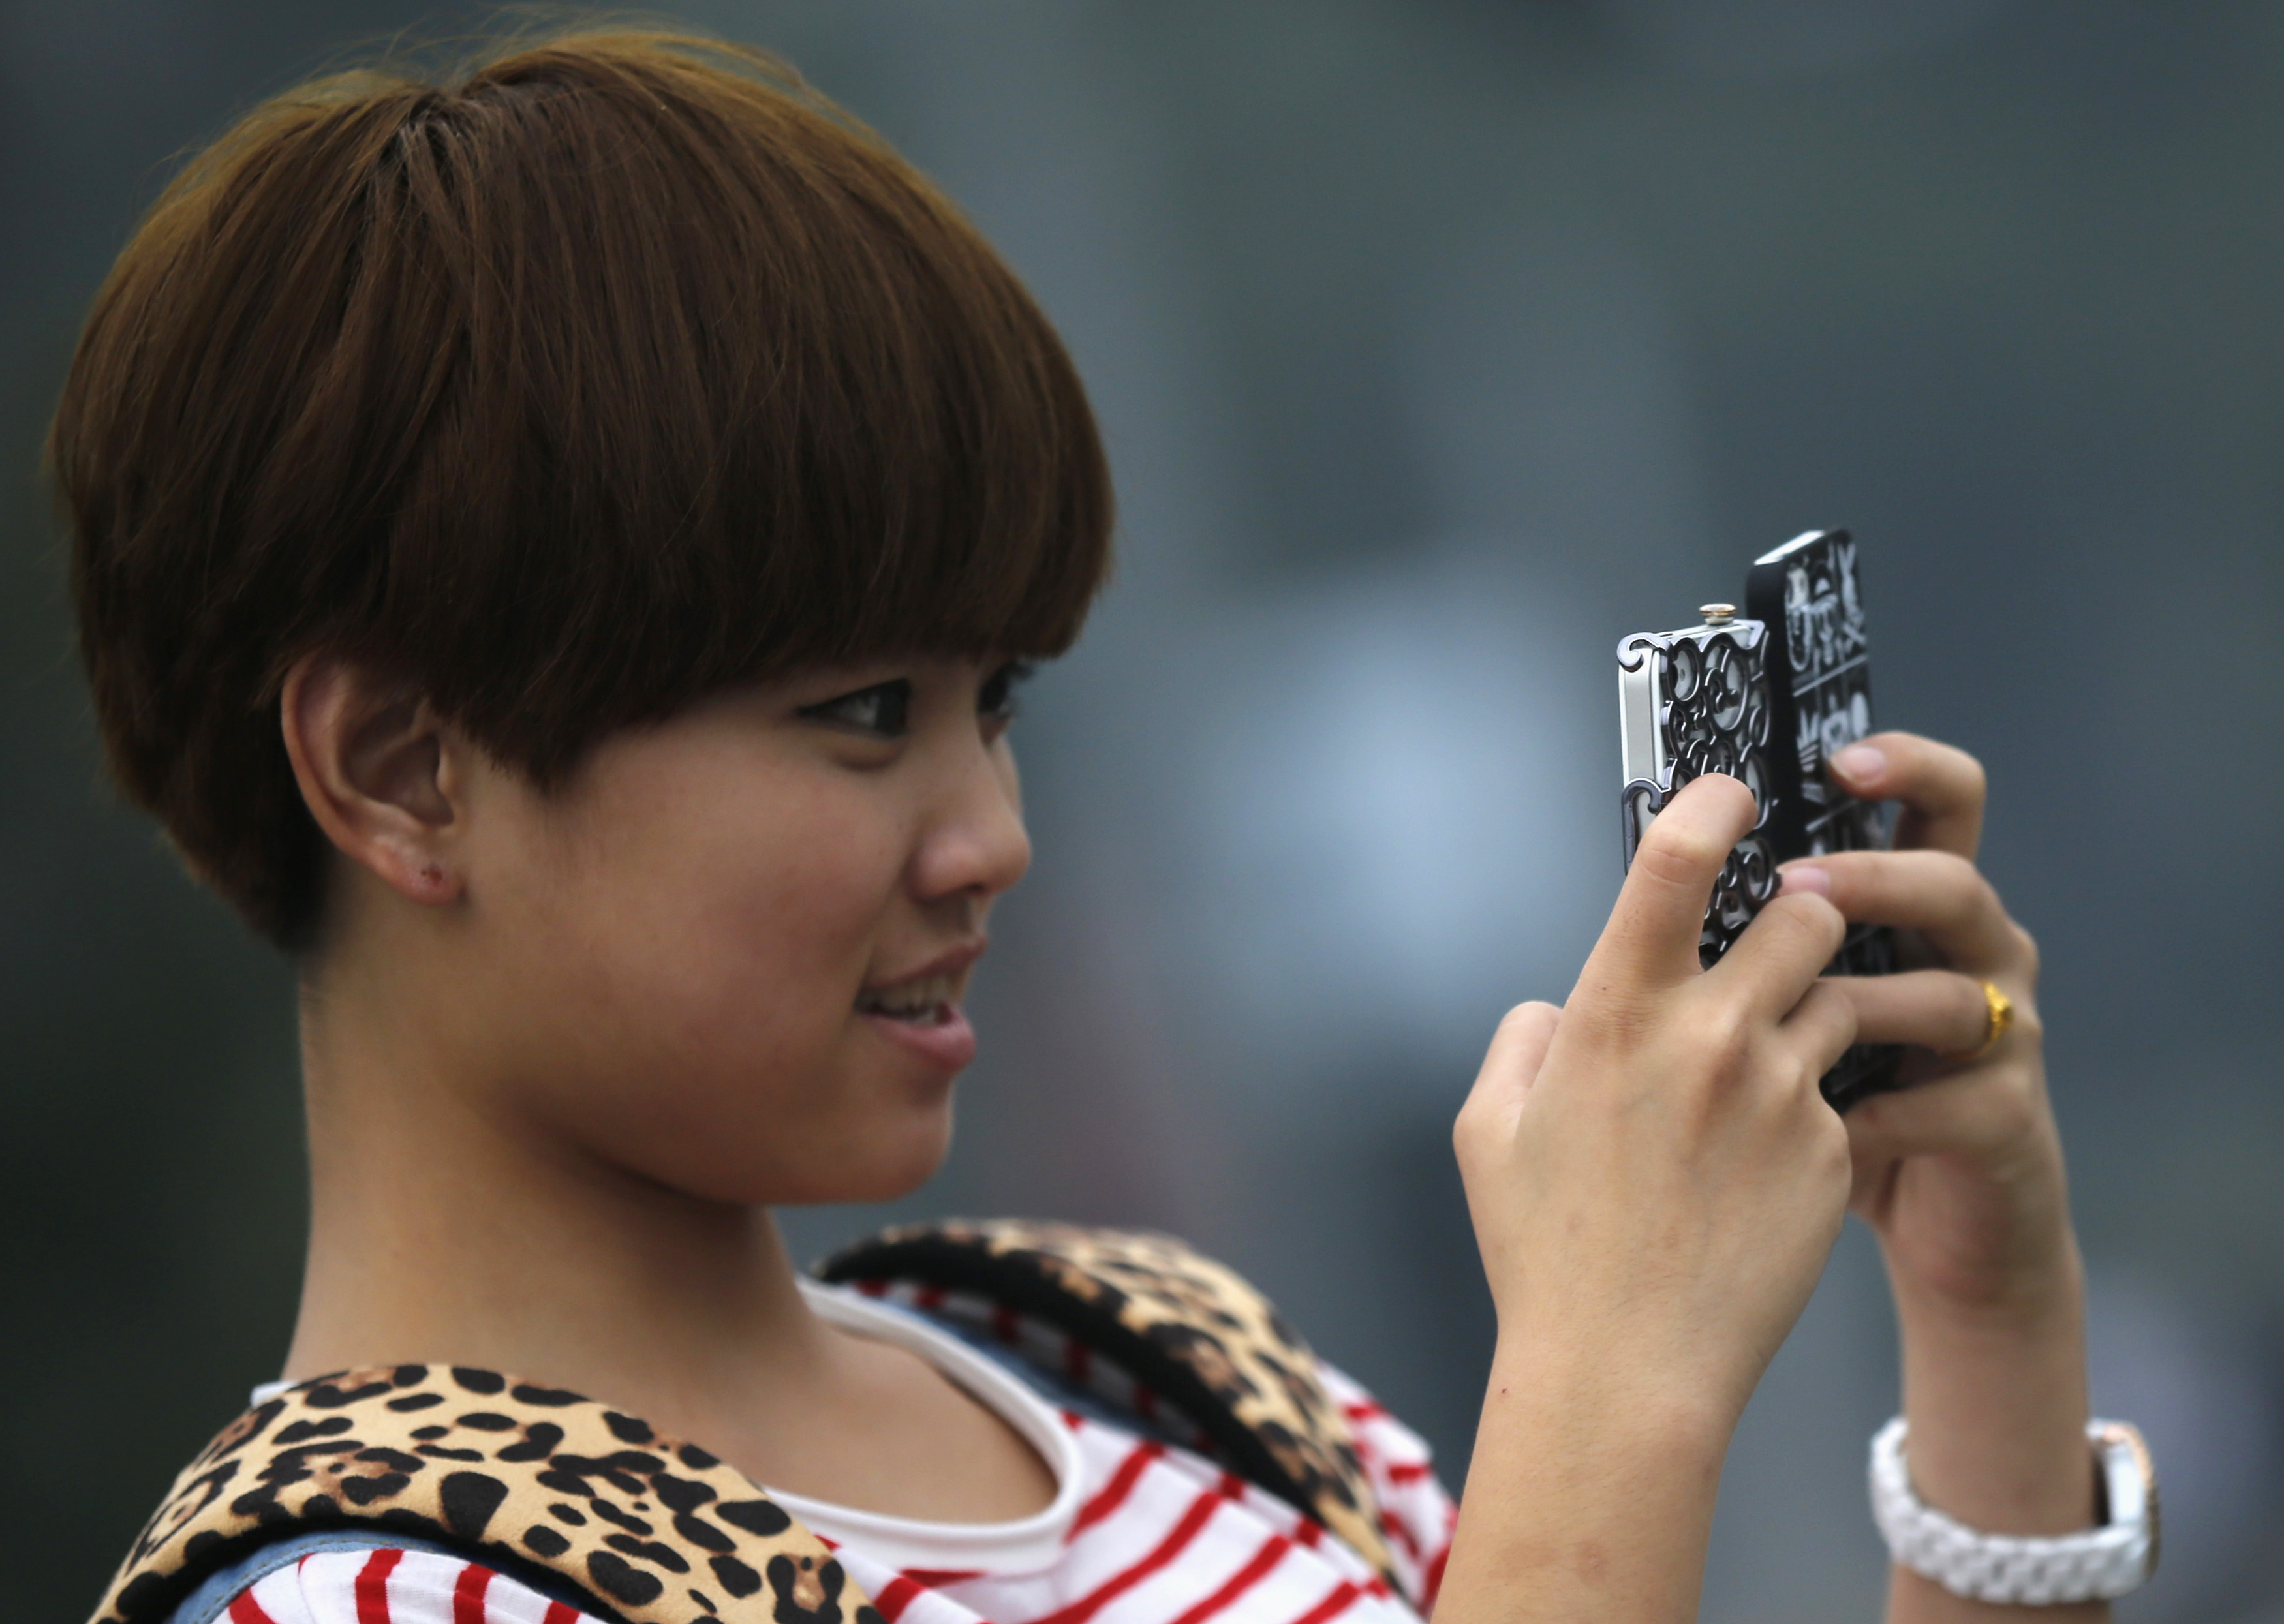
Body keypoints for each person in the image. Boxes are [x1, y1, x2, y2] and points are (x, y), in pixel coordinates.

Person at [48, 27, 2147, 1624]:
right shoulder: (381, 1596)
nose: (990, 837)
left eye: (999, 704)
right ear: (406, 770)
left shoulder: (1165, 1374)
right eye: (862, 715)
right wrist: (1604, 1395)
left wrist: (1979, 1311)